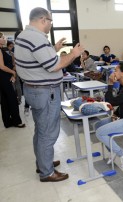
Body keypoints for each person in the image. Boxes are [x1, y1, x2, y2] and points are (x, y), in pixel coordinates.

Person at [14, 7, 84, 182]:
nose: (51, 25)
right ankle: (47, 172)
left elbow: (38, 59)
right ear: (43, 20)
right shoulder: (37, 38)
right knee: (48, 132)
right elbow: (53, 66)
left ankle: (42, 163)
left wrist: (53, 48)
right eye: (50, 21)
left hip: (33, 90)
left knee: (40, 129)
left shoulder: (24, 36)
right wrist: (74, 54)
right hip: (45, 93)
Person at [0, 33, 25, 128]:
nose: (4, 38)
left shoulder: (3, 50)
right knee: (12, 99)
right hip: (3, 77)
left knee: (5, 100)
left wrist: (12, 71)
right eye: (2, 37)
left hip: (5, 77)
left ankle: (8, 122)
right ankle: (16, 121)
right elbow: (1, 66)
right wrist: (13, 73)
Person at [14, 29, 30, 115]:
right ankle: (26, 106)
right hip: (19, 72)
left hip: (27, 72)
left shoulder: (26, 46)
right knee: (22, 89)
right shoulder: (15, 47)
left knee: (27, 88)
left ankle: (27, 106)